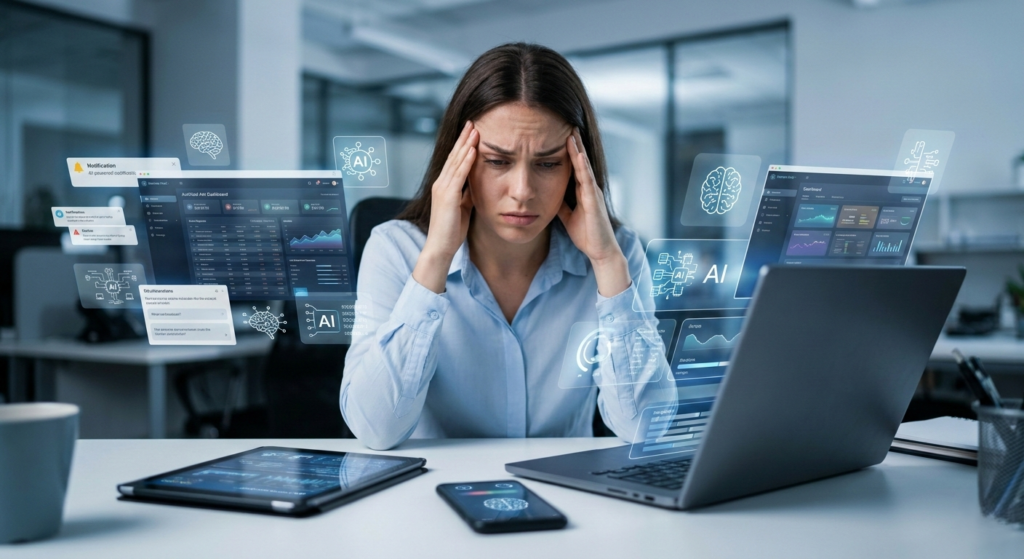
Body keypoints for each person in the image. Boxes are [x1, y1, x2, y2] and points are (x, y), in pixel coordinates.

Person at [340, 43, 672, 450]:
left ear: (577, 168)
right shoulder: (395, 249)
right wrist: (436, 261)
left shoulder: (616, 253)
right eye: (497, 161)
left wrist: (607, 265)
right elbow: (375, 429)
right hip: (428, 500)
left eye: (548, 164)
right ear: (457, 161)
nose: (522, 192)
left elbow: (645, 428)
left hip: (570, 497)